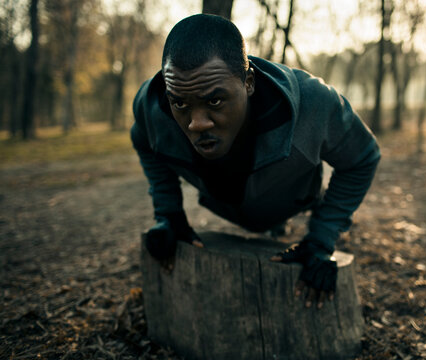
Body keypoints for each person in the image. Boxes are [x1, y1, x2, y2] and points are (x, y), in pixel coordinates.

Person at [131, 14, 380, 310]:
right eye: (181, 104)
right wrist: (168, 212)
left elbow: (363, 157)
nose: (196, 123)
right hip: (227, 204)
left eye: (214, 101)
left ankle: (282, 223)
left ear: (249, 82)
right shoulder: (152, 105)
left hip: (293, 199)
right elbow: (143, 141)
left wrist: (321, 239)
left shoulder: (314, 104)